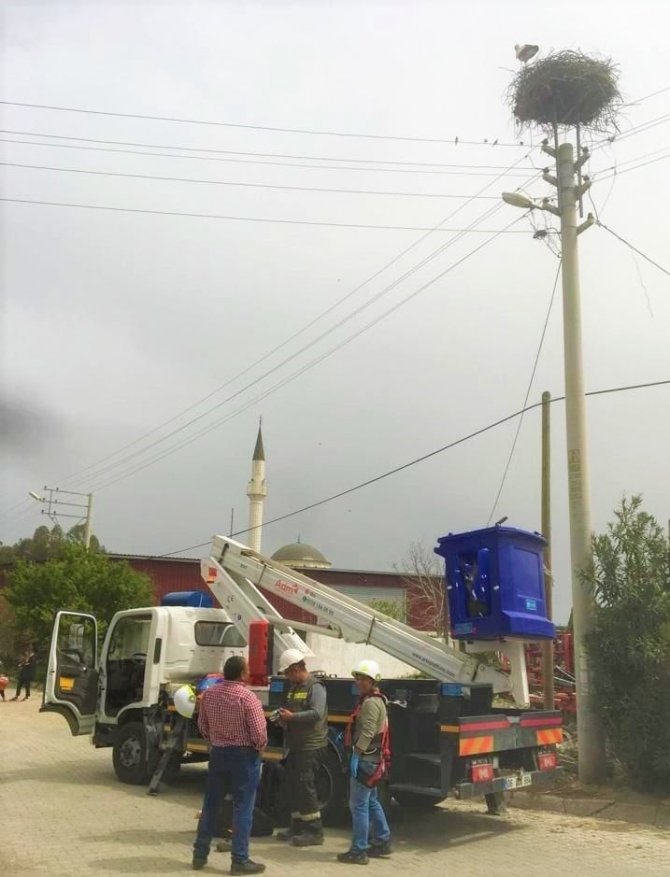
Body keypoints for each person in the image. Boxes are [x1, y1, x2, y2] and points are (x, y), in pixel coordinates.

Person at [193, 655, 267, 875]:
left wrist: (216, 740)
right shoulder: (248, 698)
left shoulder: (209, 695)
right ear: (243, 674)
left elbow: (202, 726)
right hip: (244, 758)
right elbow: (259, 732)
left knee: (211, 806)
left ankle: (199, 854)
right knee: (242, 807)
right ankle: (239, 860)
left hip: (218, 754)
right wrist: (259, 748)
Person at [337, 659, 392, 866]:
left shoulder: (370, 703)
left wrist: (356, 755)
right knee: (371, 801)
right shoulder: (376, 700)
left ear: (372, 681)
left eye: (362, 679)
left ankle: (358, 850)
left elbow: (368, 732)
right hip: (373, 761)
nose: (358, 682)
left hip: (366, 761)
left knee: (358, 805)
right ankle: (382, 840)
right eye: (357, 678)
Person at [274, 649, 328, 847]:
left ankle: (314, 831)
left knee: (306, 786)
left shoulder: (316, 687)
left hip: (311, 746)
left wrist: (292, 717)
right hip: (296, 745)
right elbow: (294, 711)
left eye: (288, 673)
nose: (287, 677)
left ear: (296, 669)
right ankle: (297, 826)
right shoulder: (294, 687)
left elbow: (316, 713)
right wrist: (283, 719)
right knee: (293, 785)